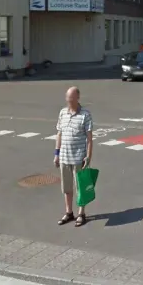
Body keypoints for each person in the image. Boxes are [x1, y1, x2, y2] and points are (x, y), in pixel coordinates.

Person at [54, 86, 94, 226]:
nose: (69, 101)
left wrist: (88, 156)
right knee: (67, 187)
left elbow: (89, 139)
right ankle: (69, 212)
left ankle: (81, 213)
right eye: (67, 98)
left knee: (81, 187)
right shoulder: (62, 113)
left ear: (77, 98)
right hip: (64, 157)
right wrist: (56, 153)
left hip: (79, 157)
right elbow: (59, 134)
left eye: (71, 98)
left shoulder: (85, 115)